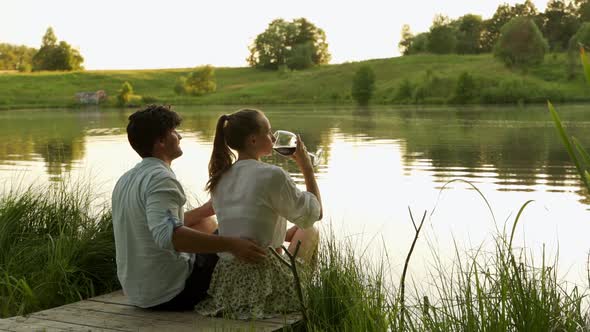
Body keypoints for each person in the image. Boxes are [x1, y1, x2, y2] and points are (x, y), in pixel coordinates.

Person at [111, 104, 267, 311]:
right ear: (161, 142)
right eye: (174, 132)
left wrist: (206, 210)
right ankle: (265, 292)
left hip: (138, 292)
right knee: (240, 233)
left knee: (204, 221)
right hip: (171, 293)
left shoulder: (128, 178)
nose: (180, 136)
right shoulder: (161, 179)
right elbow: (171, 237)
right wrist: (232, 244)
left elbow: (153, 225)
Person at [196, 108, 322, 319]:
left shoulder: (220, 178)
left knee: (294, 231)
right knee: (310, 230)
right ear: (253, 140)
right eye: (268, 131)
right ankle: (303, 292)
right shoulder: (272, 175)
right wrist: (307, 168)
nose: (273, 137)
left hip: (228, 285)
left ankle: (301, 288)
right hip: (264, 281)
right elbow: (314, 214)